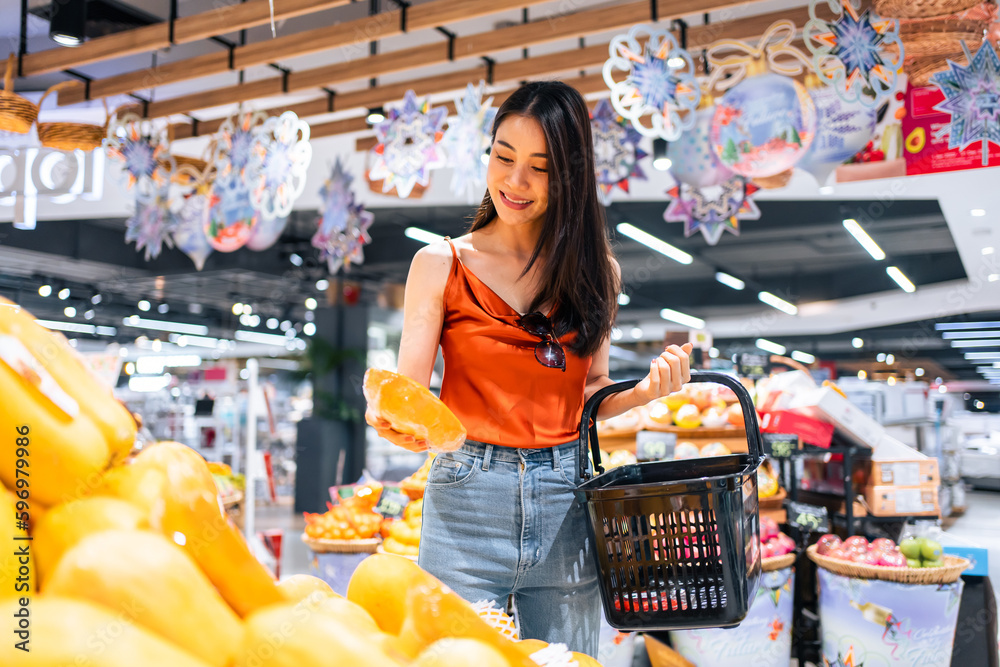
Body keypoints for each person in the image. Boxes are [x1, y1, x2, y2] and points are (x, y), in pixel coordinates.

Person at [366, 80, 692, 656]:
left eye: (539, 167)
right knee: (454, 657)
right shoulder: (440, 263)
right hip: (465, 496)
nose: (515, 182)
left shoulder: (597, 275)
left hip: (566, 497)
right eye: (503, 156)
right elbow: (410, 393)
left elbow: (591, 391)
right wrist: (390, 415)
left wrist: (642, 393)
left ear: (570, 174)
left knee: (566, 662)